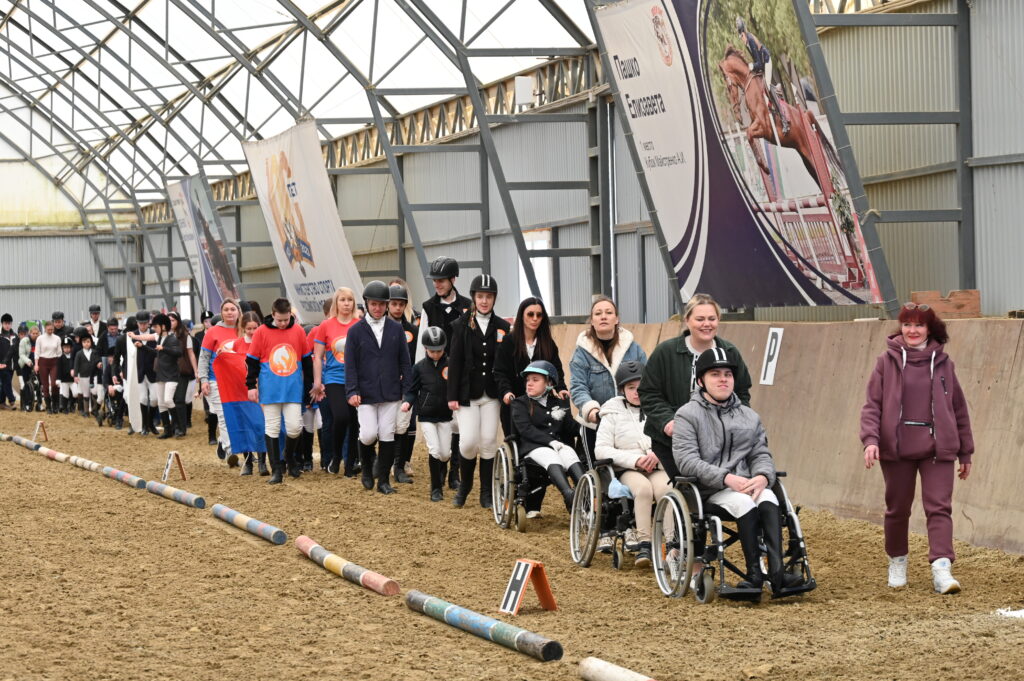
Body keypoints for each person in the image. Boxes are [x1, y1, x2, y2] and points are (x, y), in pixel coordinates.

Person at [860, 303, 974, 595]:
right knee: (897, 509)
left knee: (939, 508)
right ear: (901, 327)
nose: (912, 330)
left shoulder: (945, 364)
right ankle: (897, 560)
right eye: (907, 324)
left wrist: (965, 451)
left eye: (919, 325)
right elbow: (872, 405)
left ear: (929, 329)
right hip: (896, 449)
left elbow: (959, 409)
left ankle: (942, 568)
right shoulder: (885, 362)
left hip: (938, 448)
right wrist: (870, 440)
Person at [674, 348, 798, 597]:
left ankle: (777, 573)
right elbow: (687, 461)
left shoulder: (749, 416)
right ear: (701, 381)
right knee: (744, 502)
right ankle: (754, 575)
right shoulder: (687, 415)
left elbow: (760, 453)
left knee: (769, 497)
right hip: (710, 489)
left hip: (747, 483)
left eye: (728, 374)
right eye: (715, 374)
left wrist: (762, 476)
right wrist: (725, 478)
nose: (723, 379)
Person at [639, 293, 751, 478]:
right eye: (700, 319)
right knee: (693, 485)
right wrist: (667, 421)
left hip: (718, 440)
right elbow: (648, 393)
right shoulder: (665, 352)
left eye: (711, 319)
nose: (706, 324)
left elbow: (742, 393)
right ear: (687, 320)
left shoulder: (730, 352)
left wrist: (737, 423)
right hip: (673, 441)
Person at [494, 296, 567, 517]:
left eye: (539, 315)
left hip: (541, 406)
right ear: (522, 316)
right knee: (520, 452)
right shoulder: (509, 342)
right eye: (530, 314)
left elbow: (557, 370)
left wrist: (561, 388)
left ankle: (534, 503)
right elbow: (500, 372)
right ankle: (517, 495)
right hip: (515, 405)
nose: (535, 318)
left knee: (540, 446)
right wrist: (506, 392)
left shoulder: (547, 344)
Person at [595, 360, 671, 568]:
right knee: (643, 489)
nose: (637, 392)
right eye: (631, 387)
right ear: (622, 390)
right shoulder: (611, 412)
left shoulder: (660, 408)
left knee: (667, 490)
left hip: (657, 465)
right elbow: (601, 449)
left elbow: (674, 439)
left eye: (641, 386)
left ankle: (672, 545)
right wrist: (635, 460)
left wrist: (657, 454)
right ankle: (644, 543)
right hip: (628, 469)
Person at [447, 274, 509, 509]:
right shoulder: (461, 325)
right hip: (467, 394)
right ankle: (465, 486)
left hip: (491, 394)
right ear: (474, 297)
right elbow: (455, 362)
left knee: (489, 441)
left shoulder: (503, 327)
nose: (484, 301)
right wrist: (452, 395)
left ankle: (486, 492)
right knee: (468, 442)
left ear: (494, 299)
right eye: (480, 296)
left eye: (489, 297)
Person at [345, 282, 412, 495]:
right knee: (367, 434)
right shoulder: (355, 331)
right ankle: (366, 468)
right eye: (374, 304)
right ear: (366, 304)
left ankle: (383, 480)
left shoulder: (396, 329)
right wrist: (352, 390)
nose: (377, 308)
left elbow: (405, 362)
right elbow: (350, 364)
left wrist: (407, 390)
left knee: (386, 434)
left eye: (381, 304)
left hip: (391, 392)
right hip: (365, 392)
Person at [569, 295, 647, 455]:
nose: (603, 316)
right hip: (594, 424)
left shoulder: (634, 349)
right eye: (598, 313)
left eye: (609, 312)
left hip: (629, 422)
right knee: (594, 468)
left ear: (616, 319)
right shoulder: (581, 353)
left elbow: (647, 382)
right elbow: (578, 387)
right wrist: (592, 411)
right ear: (592, 321)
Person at [246, 298, 312, 485]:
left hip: (293, 388)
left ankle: (289, 457)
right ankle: (276, 469)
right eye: (279, 320)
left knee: (294, 428)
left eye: (286, 319)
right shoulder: (261, 332)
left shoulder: (298, 331)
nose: (283, 323)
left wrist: (310, 386)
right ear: (273, 314)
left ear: (290, 314)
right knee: (272, 427)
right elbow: (252, 361)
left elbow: (306, 360)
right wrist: (251, 386)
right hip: (270, 389)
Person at [419, 256, 472, 490]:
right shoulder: (428, 307)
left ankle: (454, 472)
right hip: (436, 372)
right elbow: (422, 343)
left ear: (453, 280)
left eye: (441, 280)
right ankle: (440, 468)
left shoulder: (468, 306)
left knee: (457, 424)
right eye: (435, 280)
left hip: (461, 373)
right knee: (442, 420)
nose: (437, 284)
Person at [510, 360, 583, 512]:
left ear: (549, 383)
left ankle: (586, 492)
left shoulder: (559, 402)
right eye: (528, 380)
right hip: (532, 448)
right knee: (551, 455)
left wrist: (585, 430)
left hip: (557, 445)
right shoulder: (519, 403)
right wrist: (550, 442)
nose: (529, 383)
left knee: (569, 452)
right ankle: (568, 495)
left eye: (535, 380)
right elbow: (526, 429)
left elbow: (569, 426)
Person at [310, 287, 360, 476]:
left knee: (355, 422)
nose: (346, 303)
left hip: (356, 379)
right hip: (334, 378)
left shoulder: (360, 325)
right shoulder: (326, 326)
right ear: (336, 303)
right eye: (342, 300)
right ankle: (337, 455)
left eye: (350, 300)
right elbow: (317, 356)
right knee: (341, 417)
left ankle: (350, 465)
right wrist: (317, 382)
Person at [402, 326, 453, 502]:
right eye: (432, 351)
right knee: (435, 450)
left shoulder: (451, 365)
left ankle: (442, 471)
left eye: (439, 351)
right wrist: (407, 402)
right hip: (427, 416)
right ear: (425, 348)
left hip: (446, 416)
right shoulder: (419, 368)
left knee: (445, 454)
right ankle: (435, 488)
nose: (436, 354)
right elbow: (412, 390)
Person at [199, 300, 244, 465]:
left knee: (237, 416)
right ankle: (231, 451)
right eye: (226, 309)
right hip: (216, 380)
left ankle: (222, 441)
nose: (230, 312)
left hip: (238, 381)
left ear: (238, 311)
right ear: (221, 312)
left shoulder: (244, 330)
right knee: (224, 416)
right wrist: (203, 380)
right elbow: (204, 358)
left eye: (233, 309)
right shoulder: (213, 332)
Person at [736, 16, 789, 135]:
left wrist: (752, 66)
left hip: (766, 62)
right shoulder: (747, 42)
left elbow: (759, 63)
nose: (741, 39)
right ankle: (776, 91)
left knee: (767, 87)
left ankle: (784, 120)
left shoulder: (750, 40)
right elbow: (756, 60)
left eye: (741, 37)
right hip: (761, 64)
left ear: (743, 33)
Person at [388, 281, 418, 484]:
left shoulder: (412, 331)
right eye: (394, 304)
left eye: (401, 304)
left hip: (407, 385)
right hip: (386, 384)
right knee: (387, 426)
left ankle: (401, 463)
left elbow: (415, 358)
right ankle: (386, 461)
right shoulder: (380, 328)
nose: (398, 308)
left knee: (406, 424)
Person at [136, 314, 182, 440]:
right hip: (160, 374)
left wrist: (164, 348)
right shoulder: (159, 338)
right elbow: (156, 353)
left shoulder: (172, 339)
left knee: (168, 400)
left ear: (163, 326)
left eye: (156, 327)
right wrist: (143, 347)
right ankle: (167, 430)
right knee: (161, 403)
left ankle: (178, 426)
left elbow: (178, 352)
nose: (154, 329)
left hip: (171, 375)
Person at [169, 312, 197, 437]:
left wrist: (196, 370)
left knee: (180, 399)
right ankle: (174, 425)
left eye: (173, 320)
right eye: (169, 320)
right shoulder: (164, 335)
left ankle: (182, 427)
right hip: (168, 371)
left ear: (178, 321)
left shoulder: (185, 336)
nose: (170, 323)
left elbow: (191, 354)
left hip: (182, 371)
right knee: (170, 399)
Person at [194, 310, 219, 445]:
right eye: (206, 321)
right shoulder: (201, 336)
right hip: (210, 376)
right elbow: (201, 357)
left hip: (224, 378)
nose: (208, 324)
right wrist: (201, 375)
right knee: (213, 408)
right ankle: (212, 435)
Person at [71, 333, 102, 418]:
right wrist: (75, 375)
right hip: (83, 376)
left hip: (94, 375)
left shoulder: (95, 352)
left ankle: (94, 409)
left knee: (94, 392)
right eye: (84, 342)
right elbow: (76, 365)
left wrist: (99, 364)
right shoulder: (79, 353)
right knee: (86, 394)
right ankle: (86, 411)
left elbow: (98, 360)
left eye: (88, 342)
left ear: (91, 342)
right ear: (81, 343)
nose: (86, 344)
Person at [35, 319, 62, 414]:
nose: (50, 331)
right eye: (48, 329)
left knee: (54, 384)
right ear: (45, 328)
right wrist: (36, 364)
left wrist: (60, 364)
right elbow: (37, 352)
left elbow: (59, 353)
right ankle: (48, 406)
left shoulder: (57, 338)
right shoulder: (40, 338)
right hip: (43, 362)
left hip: (54, 361)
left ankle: (55, 405)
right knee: (45, 385)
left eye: (52, 329)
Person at [18, 324, 40, 411]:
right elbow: (21, 354)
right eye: (33, 333)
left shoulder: (40, 341)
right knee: (27, 385)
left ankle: (39, 404)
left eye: (36, 333)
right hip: (25, 365)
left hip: (37, 366)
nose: (35, 335)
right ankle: (26, 404)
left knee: (38, 385)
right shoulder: (24, 341)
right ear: (30, 333)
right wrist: (28, 362)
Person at [0, 313, 16, 409]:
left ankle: (1, 402)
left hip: (12, 364)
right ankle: (12, 401)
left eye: (9, 323)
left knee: (5, 383)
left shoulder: (15, 336)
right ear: (2, 324)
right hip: (2, 364)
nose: (7, 325)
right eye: (5, 323)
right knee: (7, 382)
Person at [56, 337, 75, 414]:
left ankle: (72, 405)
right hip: (64, 380)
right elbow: (59, 369)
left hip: (73, 379)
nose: (66, 349)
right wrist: (58, 379)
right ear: (62, 348)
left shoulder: (74, 357)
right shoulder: (60, 358)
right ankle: (64, 408)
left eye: (68, 347)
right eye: (65, 347)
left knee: (75, 393)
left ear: (71, 348)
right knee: (65, 394)